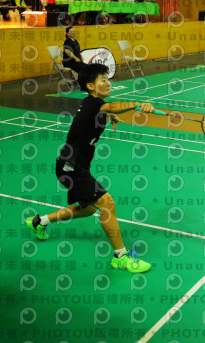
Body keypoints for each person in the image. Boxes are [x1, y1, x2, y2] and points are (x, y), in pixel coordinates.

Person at [26, 63, 155, 273]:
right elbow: (111, 107)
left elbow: (100, 113)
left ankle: (39, 222)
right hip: (71, 167)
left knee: (87, 209)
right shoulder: (94, 104)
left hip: (76, 165)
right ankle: (120, 257)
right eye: (102, 80)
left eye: (107, 79)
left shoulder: (93, 105)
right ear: (90, 86)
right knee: (107, 204)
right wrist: (139, 105)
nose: (108, 83)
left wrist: (108, 116)